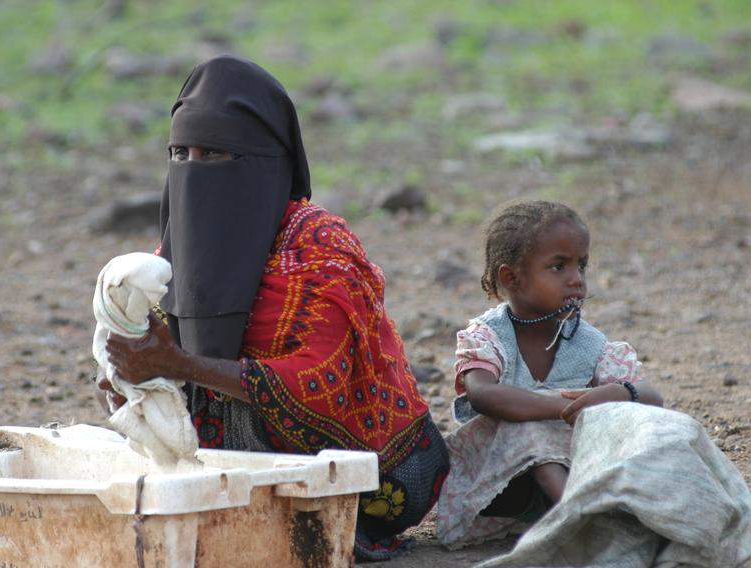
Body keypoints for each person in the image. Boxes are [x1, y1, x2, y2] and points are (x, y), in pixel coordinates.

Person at [99, 55, 450, 561]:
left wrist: (177, 365)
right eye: (180, 153)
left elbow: (322, 381)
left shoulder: (318, 244)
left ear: (265, 159)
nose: (193, 169)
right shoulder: (171, 254)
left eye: (214, 153)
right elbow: (150, 360)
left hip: (378, 477)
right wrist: (125, 376)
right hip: (226, 462)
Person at [436, 200, 664, 549]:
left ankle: (601, 512)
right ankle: (580, 522)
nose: (577, 280)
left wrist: (619, 394)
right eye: (558, 267)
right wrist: (561, 406)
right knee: (528, 429)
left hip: (571, 469)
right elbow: (483, 394)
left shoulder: (591, 345)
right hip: (498, 486)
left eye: (582, 266)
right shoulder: (489, 336)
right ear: (511, 277)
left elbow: (652, 398)